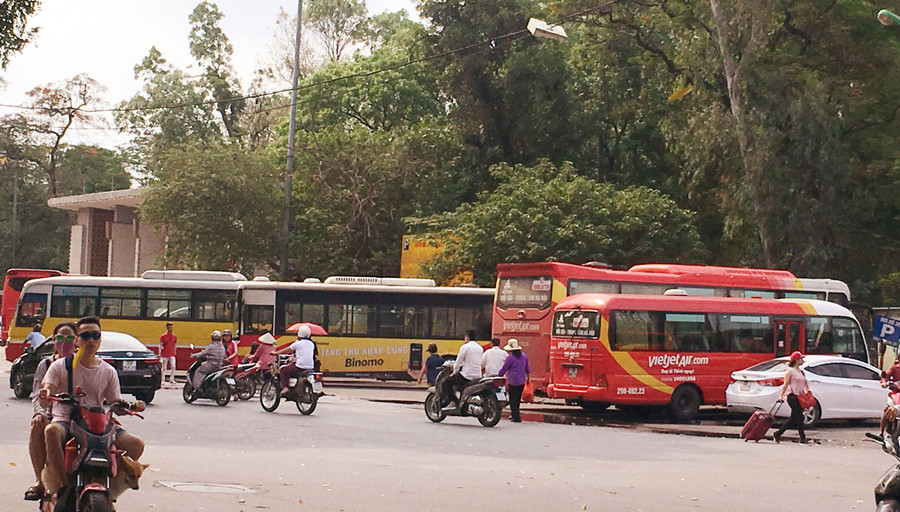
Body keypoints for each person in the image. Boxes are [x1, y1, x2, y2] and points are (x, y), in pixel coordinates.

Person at [40, 317, 146, 490]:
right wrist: (46, 393)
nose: (91, 341)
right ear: (77, 340)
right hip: (67, 419)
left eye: (95, 335)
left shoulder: (108, 370)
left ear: (100, 339)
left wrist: (132, 407)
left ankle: (107, 487)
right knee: (51, 430)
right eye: (86, 336)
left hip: (97, 421)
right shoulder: (60, 366)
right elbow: (48, 387)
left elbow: (114, 402)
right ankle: (63, 487)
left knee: (136, 444)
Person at [24, 322, 77, 501]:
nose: (65, 343)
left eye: (70, 338)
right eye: (60, 338)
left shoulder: (84, 363)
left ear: (76, 341)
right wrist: (40, 413)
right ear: (53, 340)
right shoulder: (46, 364)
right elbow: (37, 393)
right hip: (53, 415)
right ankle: (40, 481)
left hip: (81, 416)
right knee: (37, 427)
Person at [773, 351, 811, 443]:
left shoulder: (801, 372)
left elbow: (805, 383)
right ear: (796, 360)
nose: (802, 360)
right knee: (800, 417)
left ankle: (777, 433)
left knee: (793, 419)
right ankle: (802, 438)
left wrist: (808, 391)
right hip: (792, 396)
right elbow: (785, 384)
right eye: (800, 358)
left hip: (800, 396)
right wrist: (781, 396)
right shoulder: (790, 372)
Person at [274, 325, 315, 393]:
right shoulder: (311, 344)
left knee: (283, 370)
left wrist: (276, 353)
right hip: (310, 367)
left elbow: (287, 349)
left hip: (300, 367)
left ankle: (285, 387)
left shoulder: (298, 343)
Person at [498, 338, 531, 423]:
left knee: (513, 399)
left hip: (513, 381)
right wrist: (528, 379)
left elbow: (504, 368)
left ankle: (515, 416)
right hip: (522, 380)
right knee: (518, 399)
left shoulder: (510, 358)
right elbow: (527, 368)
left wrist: (499, 375)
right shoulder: (524, 356)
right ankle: (516, 415)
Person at [447, 330, 483, 402]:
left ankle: (452, 401)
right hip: (478, 376)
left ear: (467, 337)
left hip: (466, 376)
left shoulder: (465, 347)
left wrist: (454, 372)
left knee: (447, 382)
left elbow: (458, 362)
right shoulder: (480, 348)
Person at [189, 330, 226, 396]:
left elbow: (202, 354)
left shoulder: (211, 347)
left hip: (210, 365)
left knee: (198, 371)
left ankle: (197, 388)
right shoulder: (222, 348)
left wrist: (194, 355)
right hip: (219, 366)